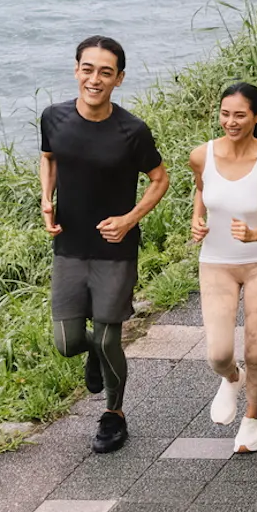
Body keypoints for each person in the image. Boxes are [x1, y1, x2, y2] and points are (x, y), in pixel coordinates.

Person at [39, 35, 169, 454]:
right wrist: (46, 198)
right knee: (67, 342)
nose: (95, 79)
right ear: (76, 70)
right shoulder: (53, 118)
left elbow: (160, 179)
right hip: (70, 245)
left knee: (109, 338)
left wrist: (130, 220)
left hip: (115, 249)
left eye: (106, 72)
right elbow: (49, 157)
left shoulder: (132, 131)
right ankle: (93, 353)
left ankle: (114, 415)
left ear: (119, 79)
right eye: (88, 69)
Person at [189, 79, 257, 452]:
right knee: (218, 354)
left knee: (255, 351)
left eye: (239, 115)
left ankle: (251, 420)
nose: (230, 122)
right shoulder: (202, 155)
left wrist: (255, 235)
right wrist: (196, 219)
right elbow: (202, 188)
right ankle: (232, 378)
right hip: (216, 263)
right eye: (224, 114)